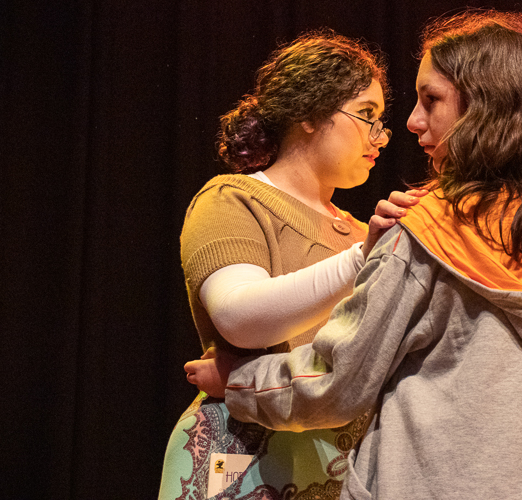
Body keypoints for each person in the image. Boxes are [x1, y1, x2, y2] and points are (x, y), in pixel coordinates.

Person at [185, 9, 522, 499]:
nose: (410, 122)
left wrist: (240, 380)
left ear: (486, 107)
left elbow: (337, 382)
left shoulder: (430, 230)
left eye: (432, 99)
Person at [158, 31, 418, 500]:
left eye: (381, 121)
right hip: (243, 456)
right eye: (366, 115)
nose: (379, 136)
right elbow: (240, 318)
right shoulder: (233, 199)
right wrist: (363, 257)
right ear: (310, 113)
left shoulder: (365, 233)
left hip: (337, 463)